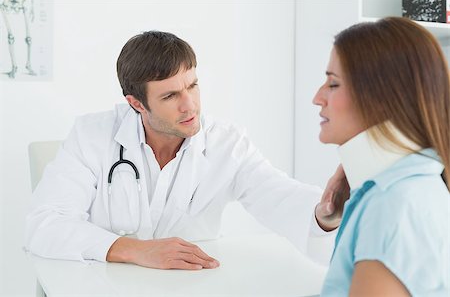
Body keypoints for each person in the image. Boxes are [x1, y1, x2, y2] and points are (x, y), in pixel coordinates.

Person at [25, 31, 348, 270]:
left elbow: (279, 197)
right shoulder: (92, 135)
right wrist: (135, 249)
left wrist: (325, 213)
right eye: (169, 97)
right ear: (136, 104)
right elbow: (44, 224)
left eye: (192, 86)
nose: (189, 105)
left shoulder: (226, 143)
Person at [313, 17, 449, 296]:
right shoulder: (415, 186)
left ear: (382, 97)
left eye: (333, 84)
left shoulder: (392, 205)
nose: (318, 97)